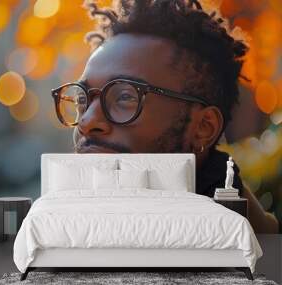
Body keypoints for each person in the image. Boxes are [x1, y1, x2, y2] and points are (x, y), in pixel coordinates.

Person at [51, 0, 279, 233]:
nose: (87, 122)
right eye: (82, 100)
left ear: (204, 128)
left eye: (124, 97)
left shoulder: (248, 251)